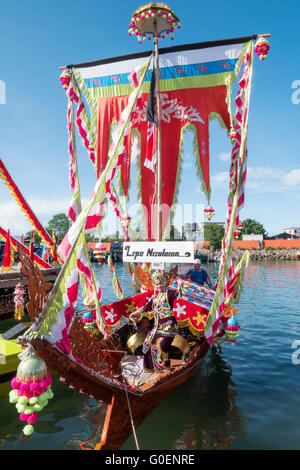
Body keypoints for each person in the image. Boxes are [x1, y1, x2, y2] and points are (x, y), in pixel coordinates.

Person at [129, 270, 183, 372]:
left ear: (165, 283)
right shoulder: (155, 297)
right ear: (155, 285)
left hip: (168, 326)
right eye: (157, 284)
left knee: (162, 344)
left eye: (161, 283)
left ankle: (165, 366)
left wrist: (180, 285)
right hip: (157, 327)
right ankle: (150, 367)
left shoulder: (169, 294)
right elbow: (145, 307)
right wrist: (135, 313)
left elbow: (177, 293)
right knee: (147, 344)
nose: (159, 286)